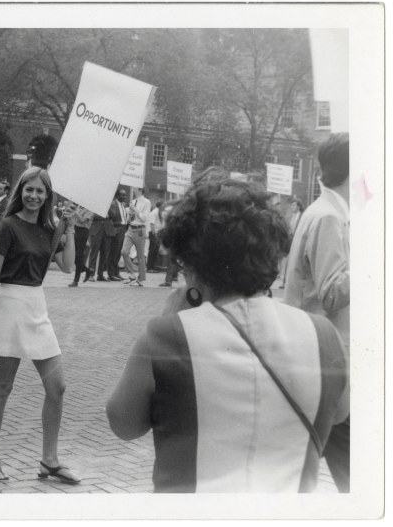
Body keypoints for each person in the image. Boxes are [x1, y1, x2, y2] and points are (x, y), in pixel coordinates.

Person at [106, 179, 349, 492]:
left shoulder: (166, 335)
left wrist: (171, 316)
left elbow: (123, 424)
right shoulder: (323, 335)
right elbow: (340, 411)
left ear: (192, 261)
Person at [0, 167, 81, 485]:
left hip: (37, 306)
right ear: (21, 191)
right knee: (3, 387)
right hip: (9, 306)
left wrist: (70, 228)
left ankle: (50, 461)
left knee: (57, 387)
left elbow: (68, 266)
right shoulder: (7, 226)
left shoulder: (51, 228)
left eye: (40, 191)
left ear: (48, 196)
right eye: (29, 189)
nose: (34, 196)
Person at [283, 133, 350, 493]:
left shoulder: (325, 212)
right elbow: (331, 292)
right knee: (357, 476)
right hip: (327, 362)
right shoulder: (329, 218)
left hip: (316, 358)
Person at [85, 189, 121, 282]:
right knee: (94, 253)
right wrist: (105, 215)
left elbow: (114, 215)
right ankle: (91, 274)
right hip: (97, 230)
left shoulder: (111, 204)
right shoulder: (94, 203)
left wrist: (107, 208)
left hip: (107, 231)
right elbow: (93, 216)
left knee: (105, 253)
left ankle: (100, 275)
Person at [121, 187, 151, 286]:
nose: (133, 190)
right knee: (124, 251)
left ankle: (141, 279)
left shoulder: (147, 202)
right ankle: (131, 274)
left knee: (140, 256)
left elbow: (144, 218)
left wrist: (135, 210)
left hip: (140, 229)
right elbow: (130, 217)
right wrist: (129, 212)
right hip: (131, 228)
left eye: (135, 189)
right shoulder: (133, 201)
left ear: (141, 190)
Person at [68, 204, 93, 287]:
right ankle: (87, 270)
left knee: (79, 255)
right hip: (76, 230)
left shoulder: (90, 210)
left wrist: (75, 212)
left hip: (83, 231)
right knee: (74, 256)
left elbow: (82, 220)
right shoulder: (79, 207)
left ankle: (76, 280)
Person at [107, 189, 129, 281]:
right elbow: (112, 217)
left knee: (118, 252)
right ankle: (111, 274)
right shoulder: (113, 204)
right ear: (117, 196)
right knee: (113, 252)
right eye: (122, 195)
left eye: (125, 195)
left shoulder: (123, 205)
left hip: (123, 229)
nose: (124, 197)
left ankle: (116, 273)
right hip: (116, 229)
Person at [146, 201, 164, 272]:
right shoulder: (154, 212)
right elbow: (152, 224)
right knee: (152, 250)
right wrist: (154, 234)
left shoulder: (160, 212)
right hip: (154, 233)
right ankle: (149, 267)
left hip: (158, 233)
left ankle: (153, 267)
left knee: (156, 250)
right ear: (160, 205)